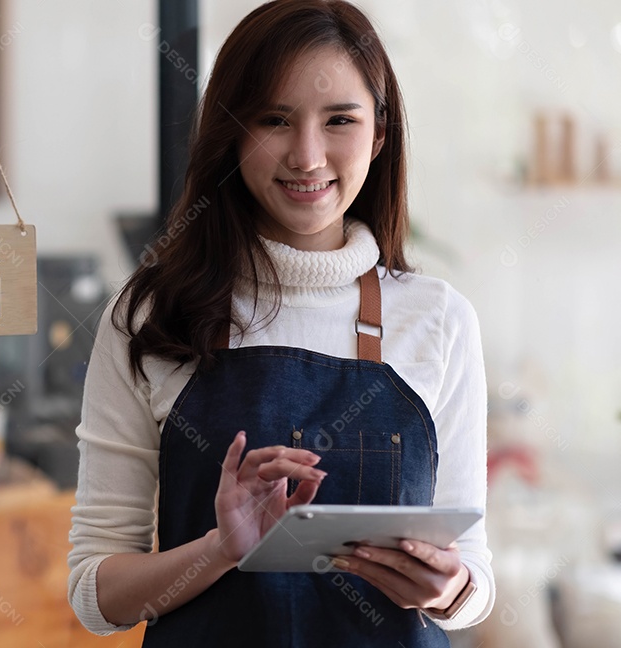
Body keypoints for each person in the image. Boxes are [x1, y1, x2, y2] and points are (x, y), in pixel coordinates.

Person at [67, 1, 494, 646]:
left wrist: (449, 589)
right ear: (233, 134)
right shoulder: (151, 316)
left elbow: (474, 577)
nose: (307, 155)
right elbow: (96, 596)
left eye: (339, 120)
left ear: (379, 135)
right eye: (274, 120)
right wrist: (220, 550)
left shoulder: (439, 319)